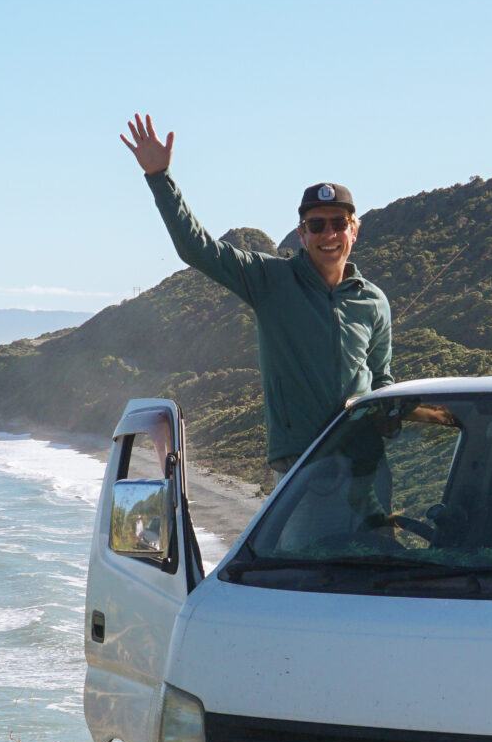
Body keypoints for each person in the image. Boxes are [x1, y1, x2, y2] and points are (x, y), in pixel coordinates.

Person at [120, 113, 396, 487]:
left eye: (338, 223)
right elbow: (198, 250)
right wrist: (159, 178)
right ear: (302, 233)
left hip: (366, 469)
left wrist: (393, 418)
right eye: (317, 225)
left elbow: (381, 379)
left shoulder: (374, 301)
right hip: (302, 468)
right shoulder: (272, 280)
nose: (328, 233)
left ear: (354, 231)